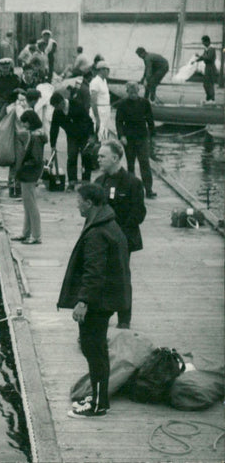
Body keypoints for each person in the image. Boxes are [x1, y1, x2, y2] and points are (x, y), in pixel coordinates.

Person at [58, 183, 130, 418]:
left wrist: (83, 302)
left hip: (99, 303)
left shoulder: (97, 232)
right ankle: (99, 397)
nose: (76, 204)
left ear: (89, 203)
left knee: (94, 350)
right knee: (96, 349)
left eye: (78, 201)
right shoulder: (108, 223)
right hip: (108, 300)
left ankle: (98, 405)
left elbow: (94, 272)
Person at [94, 140, 145, 329]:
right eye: (98, 155)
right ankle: (101, 317)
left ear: (115, 158)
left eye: (102, 156)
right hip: (101, 240)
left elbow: (139, 212)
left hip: (123, 239)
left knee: (122, 278)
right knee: (100, 277)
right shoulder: (99, 183)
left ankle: (124, 319)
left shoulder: (132, 183)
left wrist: (119, 233)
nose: (98, 159)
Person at [11, 110, 47, 245]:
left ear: (29, 122)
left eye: (24, 122)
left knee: (31, 204)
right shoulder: (37, 134)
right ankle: (25, 232)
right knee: (27, 204)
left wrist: (24, 165)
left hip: (29, 173)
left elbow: (36, 158)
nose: (23, 125)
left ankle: (36, 235)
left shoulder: (36, 137)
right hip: (30, 172)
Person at [116, 81, 156, 198]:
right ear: (127, 92)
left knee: (145, 163)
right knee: (130, 164)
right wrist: (121, 136)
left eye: (135, 92)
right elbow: (118, 122)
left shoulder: (144, 102)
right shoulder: (122, 104)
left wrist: (152, 133)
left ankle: (148, 189)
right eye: (131, 92)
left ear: (138, 91)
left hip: (142, 136)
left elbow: (150, 119)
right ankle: (132, 190)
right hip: (129, 138)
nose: (133, 94)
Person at [49, 92, 95, 190]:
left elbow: (89, 120)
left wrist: (91, 135)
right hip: (72, 137)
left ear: (61, 102)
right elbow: (54, 128)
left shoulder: (76, 105)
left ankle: (86, 181)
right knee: (71, 157)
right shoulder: (57, 112)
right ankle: (71, 181)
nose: (56, 109)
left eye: (57, 106)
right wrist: (53, 144)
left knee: (86, 156)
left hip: (84, 135)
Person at [0, 57, 25, 131]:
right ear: (0, 68)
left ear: (10, 67)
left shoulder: (15, 78)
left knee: (10, 122)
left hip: (10, 102)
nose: (5, 70)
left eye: (7, 68)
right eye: (3, 68)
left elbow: (18, 90)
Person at [89, 60, 112, 141]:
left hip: (105, 112)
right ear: (101, 70)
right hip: (99, 111)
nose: (108, 71)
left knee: (105, 135)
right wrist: (97, 118)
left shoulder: (104, 81)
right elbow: (93, 101)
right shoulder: (95, 82)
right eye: (106, 69)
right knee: (99, 135)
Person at [194, 35, 217, 103]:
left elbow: (208, 58)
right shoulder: (206, 49)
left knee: (209, 83)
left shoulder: (211, 49)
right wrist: (195, 60)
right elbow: (203, 57)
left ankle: (212, 99)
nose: (203, 44)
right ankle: (208, 98)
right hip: (207, 66)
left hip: (211, 67)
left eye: (203, 42)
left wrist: (199, 56)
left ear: (207, 41)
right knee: (205, 83)